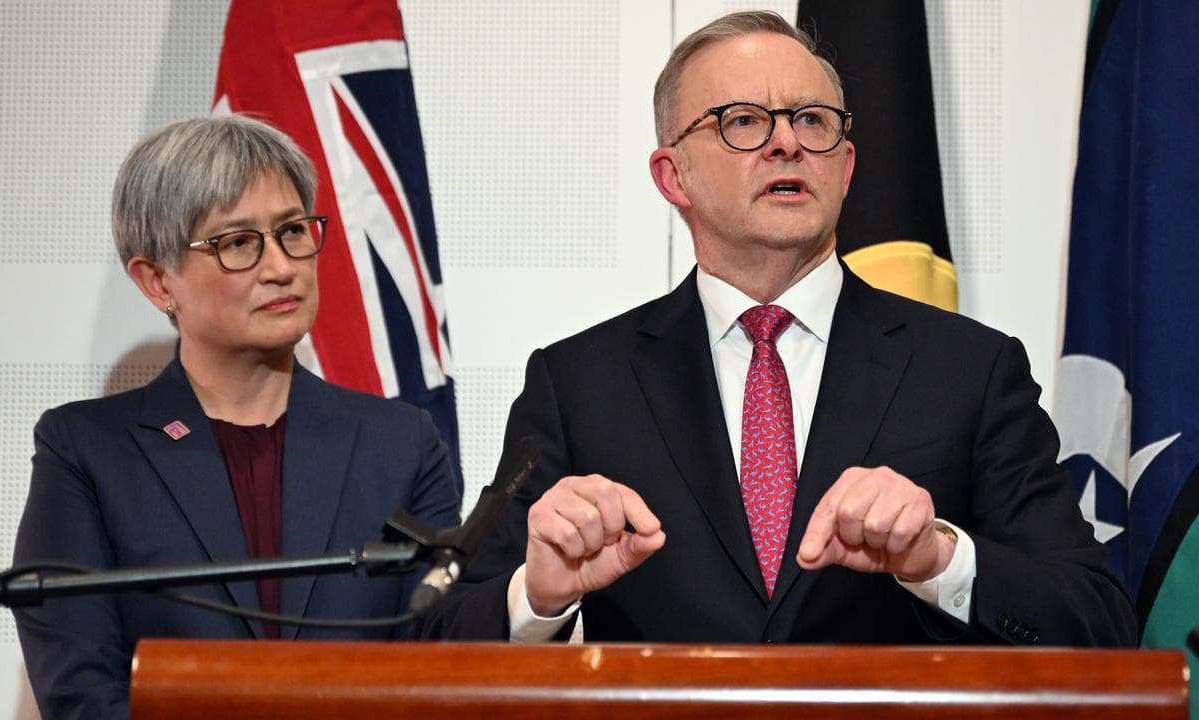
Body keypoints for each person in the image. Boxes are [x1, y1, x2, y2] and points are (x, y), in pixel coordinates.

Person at [421, 11, 1136, 645]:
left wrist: (941, 558)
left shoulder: (969, 371)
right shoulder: (580, 382)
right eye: (743, 121)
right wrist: (540, 598)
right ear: (673, 176)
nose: (787, 144)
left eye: (812, 120)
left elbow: (1099, 624)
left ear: (847, 167)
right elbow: (441, 635)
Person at [13, 115, 461, 719]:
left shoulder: (401, 444)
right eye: (238, 243)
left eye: (292, 231)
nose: (280, 266)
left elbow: (440, 665)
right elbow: (81, 694)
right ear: (156, 282)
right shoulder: (88, 450)